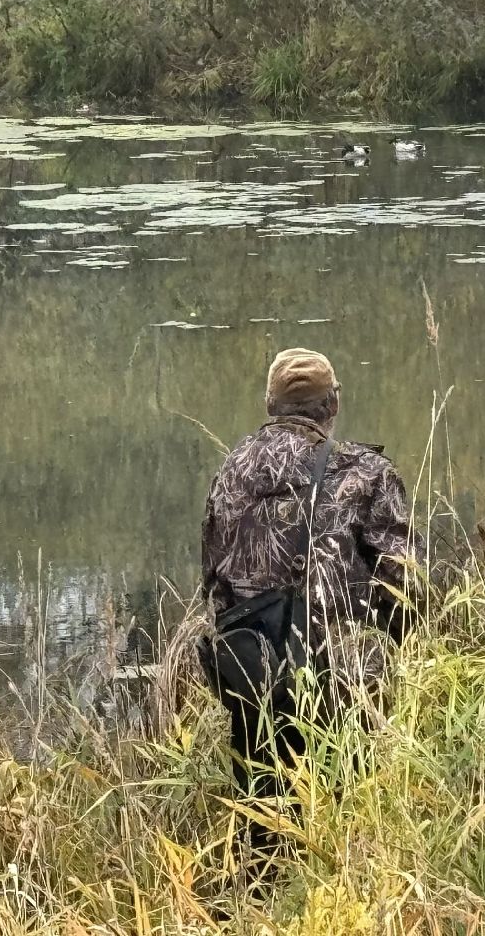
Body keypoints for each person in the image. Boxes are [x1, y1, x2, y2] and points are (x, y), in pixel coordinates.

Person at [197, 347, 420, 872]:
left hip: (249, 674)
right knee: (345, 822)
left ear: (269, 405)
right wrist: (399, 644)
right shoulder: (364, 472)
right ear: (333, 404)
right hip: (338, 679)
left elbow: (211, 580)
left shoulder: (230, 472)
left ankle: (259, 901)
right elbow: (407, 585)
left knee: (264, 819)